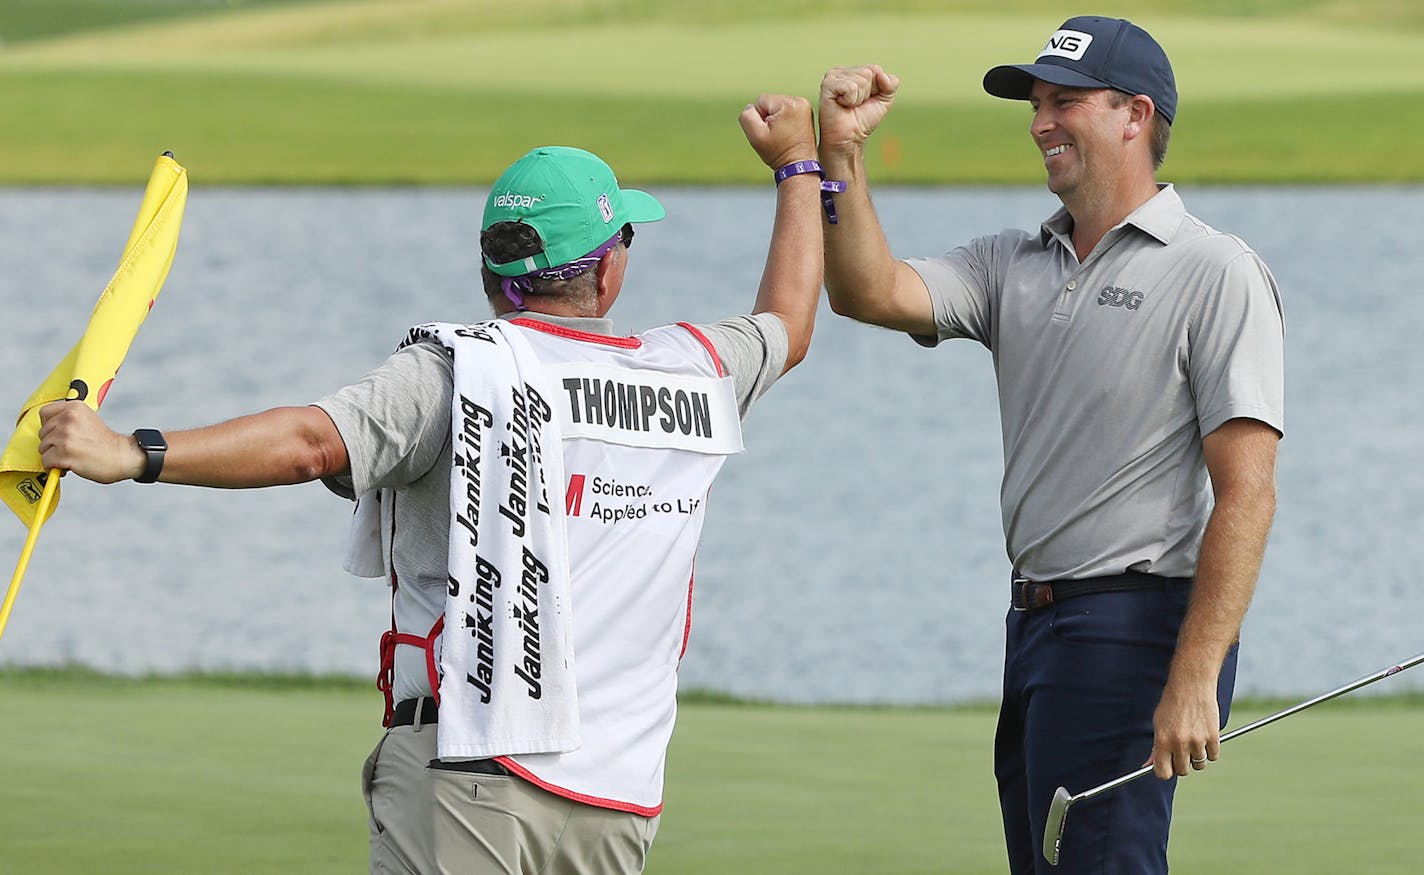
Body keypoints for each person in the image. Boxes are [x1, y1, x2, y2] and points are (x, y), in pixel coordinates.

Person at [37, 93, 823, 875]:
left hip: (469, 773)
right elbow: (788, 322)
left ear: (488, 270)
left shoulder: (457, 371)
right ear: (609, 269)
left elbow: (312, 442)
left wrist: (133, 452)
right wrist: (798, 165)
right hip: (616, 800)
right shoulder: (693, 370)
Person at [816, 16, 1283, 874]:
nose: (1039, 123)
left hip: (1132, 629)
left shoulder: (1216, 270)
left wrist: (1195, 673)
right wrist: (838, 156)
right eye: (1036, 104)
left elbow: (1247, 490)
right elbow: (868, 291)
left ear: (1136, 115)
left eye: (1064, 102)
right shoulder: (1012, 261)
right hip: (1035, 626)